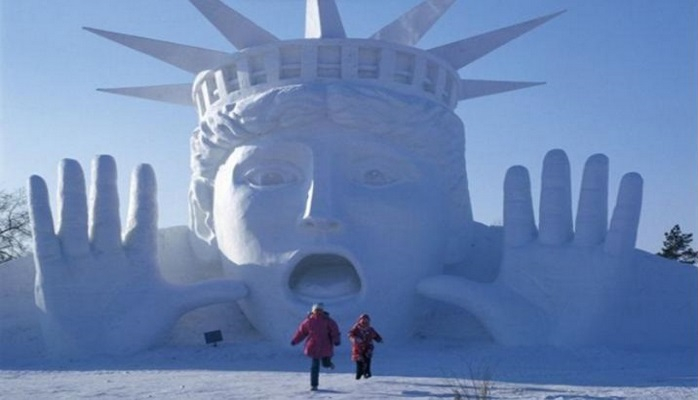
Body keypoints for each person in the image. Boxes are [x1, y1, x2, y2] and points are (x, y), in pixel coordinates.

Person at [291, 303, 341, 391]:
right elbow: (301, 332)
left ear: (322, 311)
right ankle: (314, 385)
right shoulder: (308, 321)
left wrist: (336, 340)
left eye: (320, 310)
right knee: (314, 366)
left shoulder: (328, 321)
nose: (318, 312)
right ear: (313, 311)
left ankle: (329, 364)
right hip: (313, 346)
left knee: (325, 364)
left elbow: (334, 331)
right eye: (316, 310)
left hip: (325, 345)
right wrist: (295, 340)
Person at [348, 314, 383, 380]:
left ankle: (367, 372)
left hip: (368, 346)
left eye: (366, 321)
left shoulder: (370, 329)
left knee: (367, 359)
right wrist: (354, 339)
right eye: (363, 321)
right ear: (359, 321)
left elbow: (375, 335)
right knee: (359, 361)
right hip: (358, 348)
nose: (364, 323)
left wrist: (378, 339)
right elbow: (350, 334)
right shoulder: (356, 328)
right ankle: (359, 374)